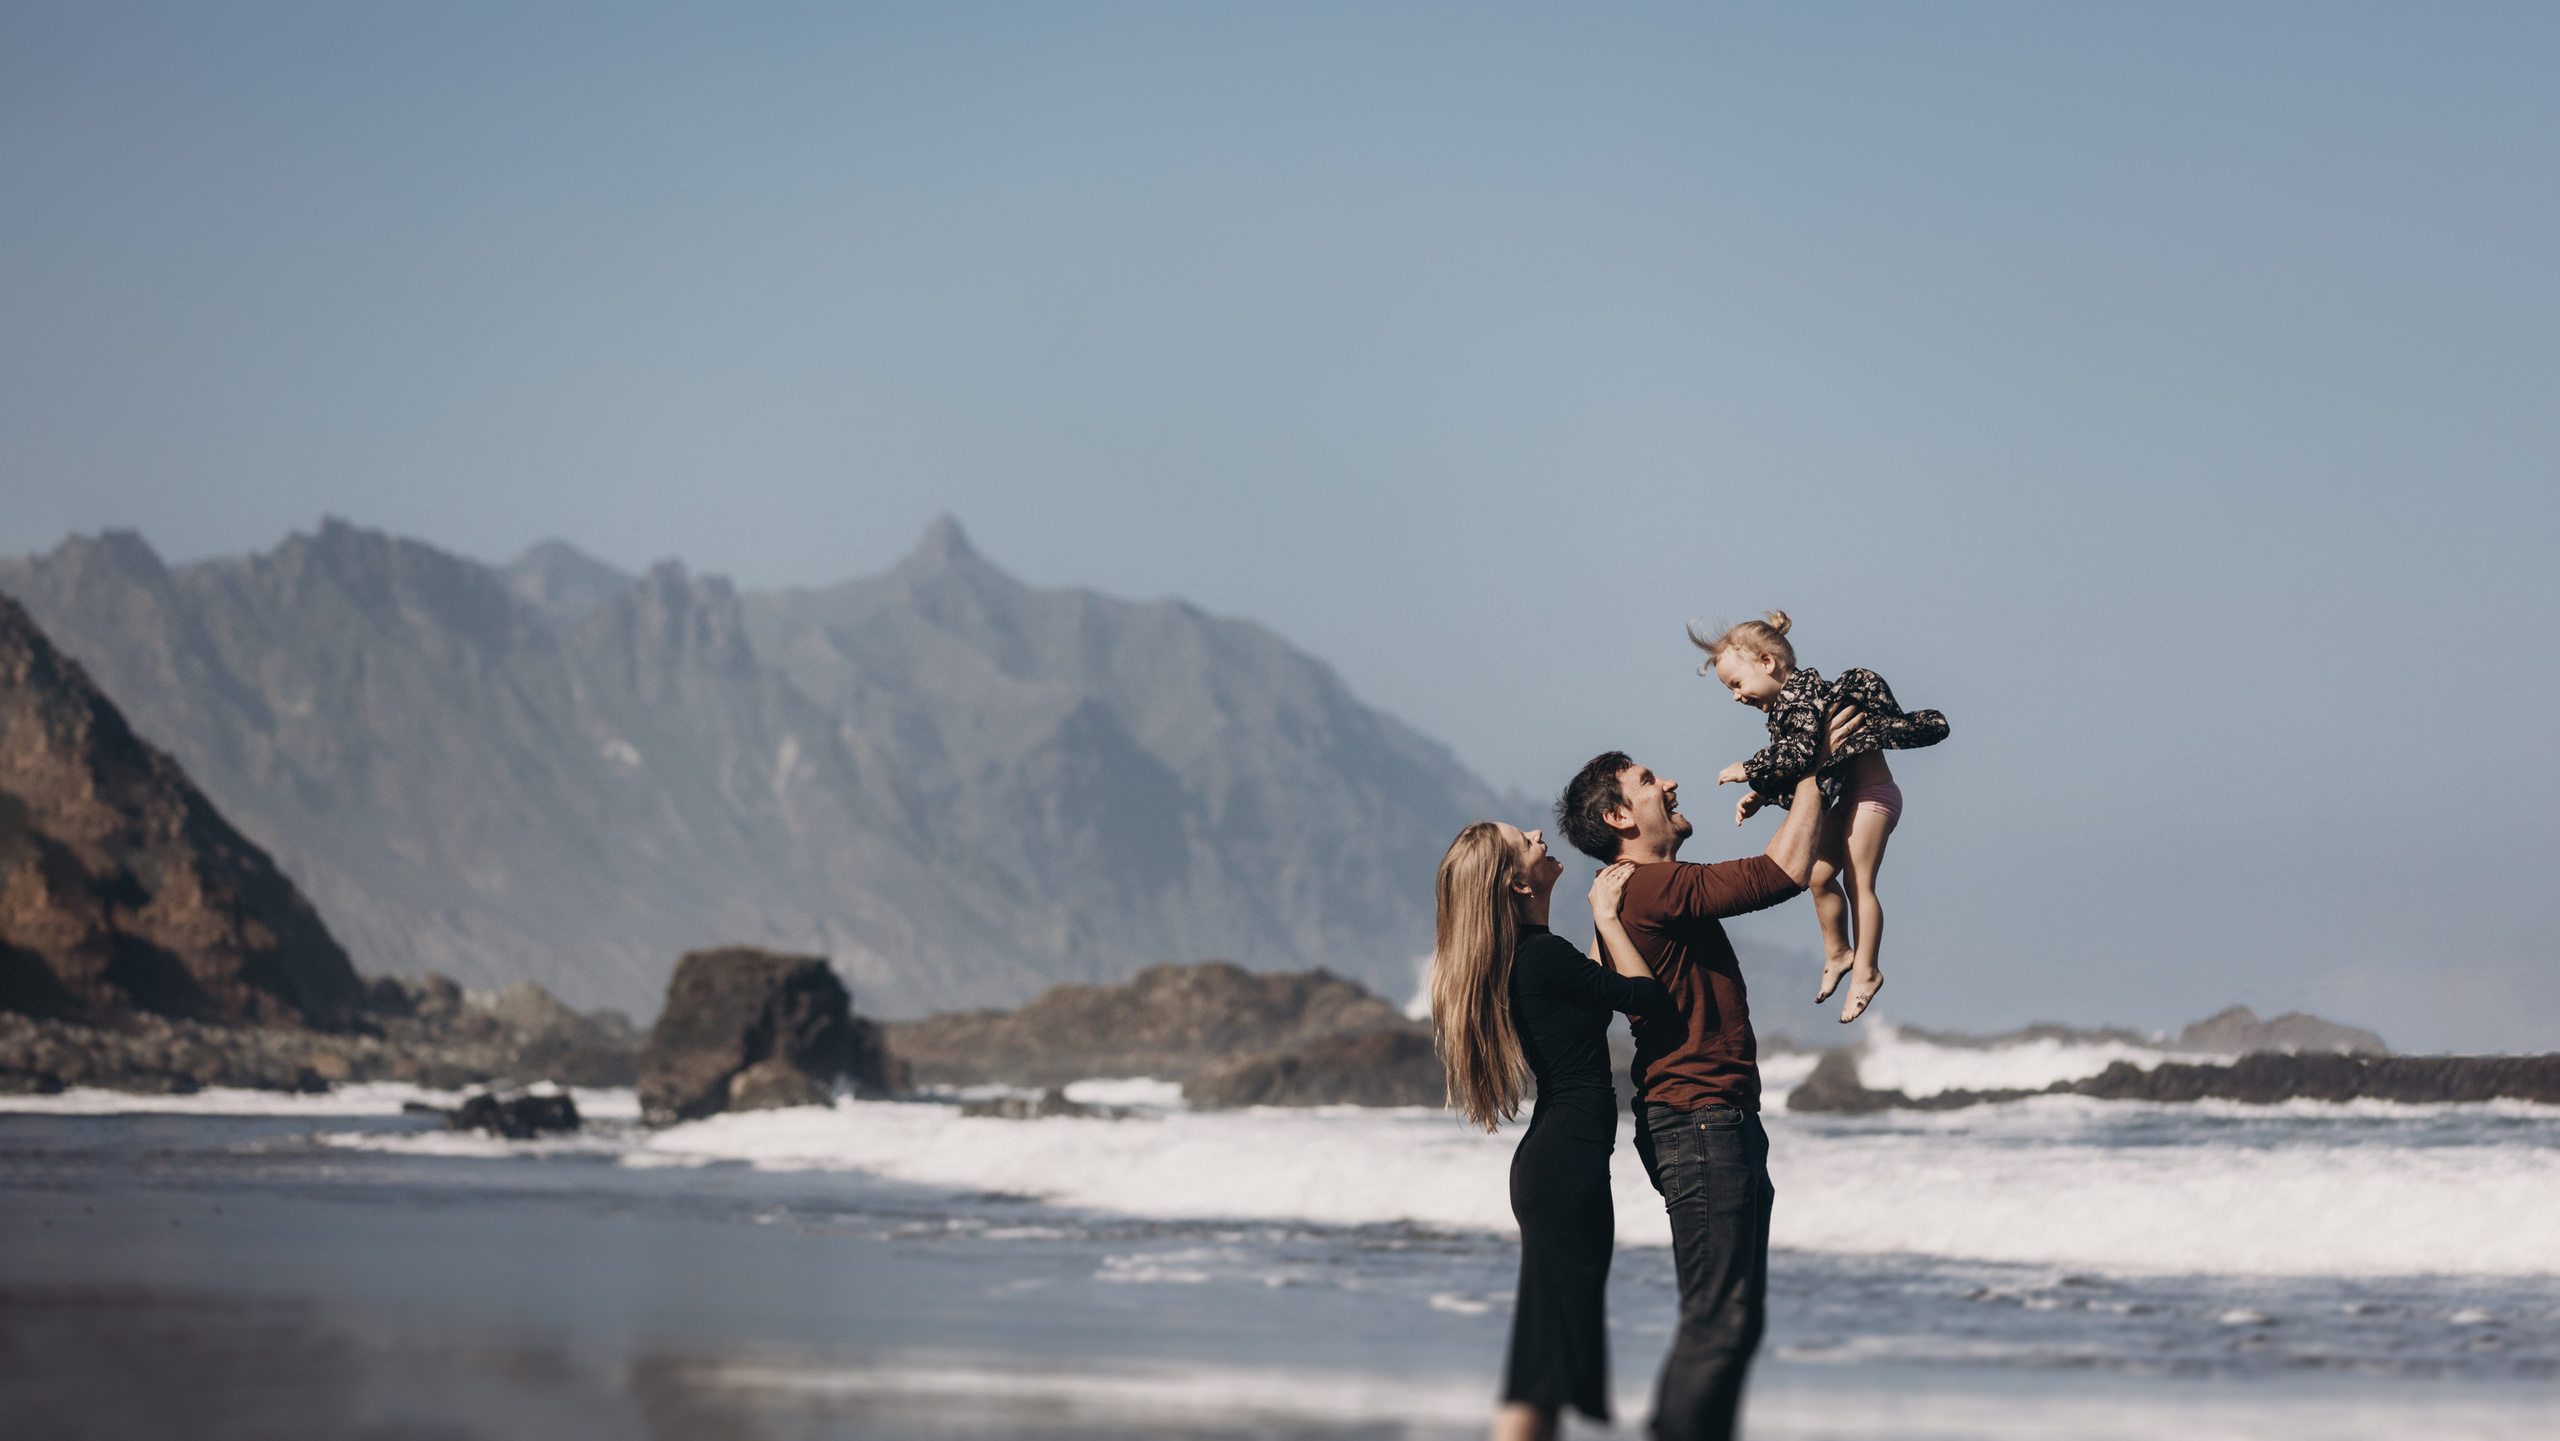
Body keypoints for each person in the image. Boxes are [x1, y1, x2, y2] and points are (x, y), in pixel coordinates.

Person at [1556, 704, 1858, 1441]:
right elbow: (1779, 871)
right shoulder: (1646, 885)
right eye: (1649, 779)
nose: (1671, 783)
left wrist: (1812, 778)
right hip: (1699, 1123)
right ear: (1618, 813)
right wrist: (1813, 761)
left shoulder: (1634, 890)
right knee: (1719, 1321)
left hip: (1713, 1120)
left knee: (1732, 1320)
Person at [1430, 821, 1671, 1441]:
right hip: (1564, 1168)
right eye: (1524, 839)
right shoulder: (1540, 957)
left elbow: (1593, 994)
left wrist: (1597, 919)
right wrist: (1610, 918)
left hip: (1561, 1164)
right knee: (1543, 1361)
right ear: (1515, 879)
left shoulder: (1537, 955)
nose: (1539, 833)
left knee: (1551, 1355)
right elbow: (1647, 999)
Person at [1693, 611, 1948, 1023]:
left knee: (1858, 880)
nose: (1736, 697)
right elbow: (1803, 766)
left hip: (1872, 798)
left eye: (1736, 684)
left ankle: (1867, 970)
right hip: (1846, 802)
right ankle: (1839, 952)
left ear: (1767, 662)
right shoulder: (1787, 709)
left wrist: (1750, 769)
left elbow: (1800, 751)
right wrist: (1761, 794)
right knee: (1816, 874)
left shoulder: (1807, 695)